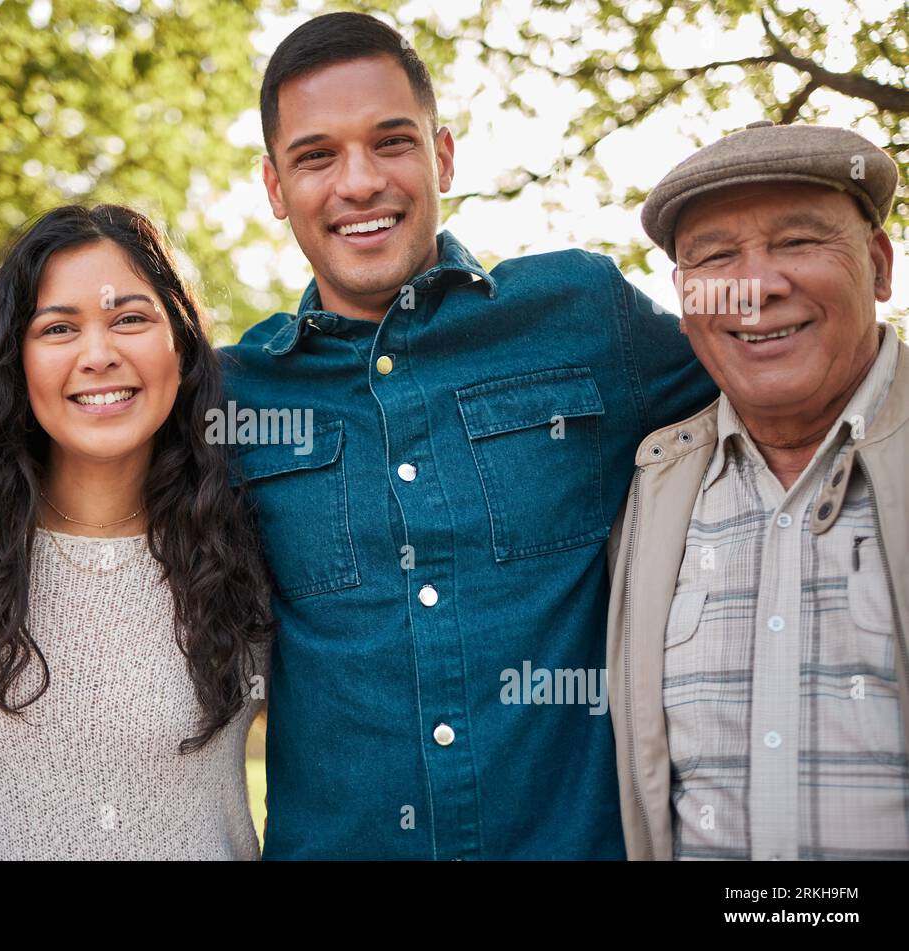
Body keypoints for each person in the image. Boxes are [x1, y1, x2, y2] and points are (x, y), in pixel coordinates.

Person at [218, 11, 719, 859]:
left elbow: (786, 386)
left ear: (441, 156)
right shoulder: (233, 397)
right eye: (316, 156)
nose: (359, 181)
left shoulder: (584, 317)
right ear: (275, 189)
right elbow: (72, 485)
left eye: (391, 142)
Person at [0, 204, 274, 860]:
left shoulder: (247, 550)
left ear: (179, 346)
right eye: (59, 327)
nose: (98, 355)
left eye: (130, 318)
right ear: (17, 358)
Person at [607, 121, 909, 860]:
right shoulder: (650, 491)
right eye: (714, 258)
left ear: (877, 264)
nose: (757, 286)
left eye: (800, 242)